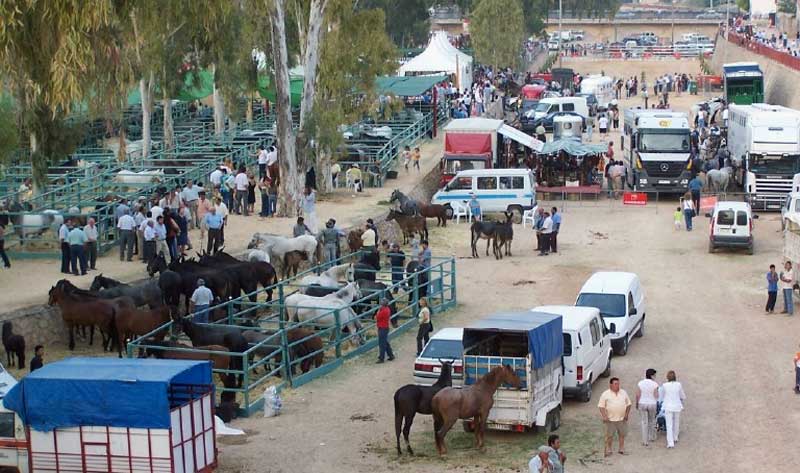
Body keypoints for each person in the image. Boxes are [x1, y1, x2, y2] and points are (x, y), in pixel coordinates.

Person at [598, 377, 632, 457]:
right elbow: (601, 406)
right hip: (610, 419)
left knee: (622, 434)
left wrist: (626, 414)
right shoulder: (605, 394)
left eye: (618, 384)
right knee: (609, 435)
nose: (618, 385)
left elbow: (629, 404)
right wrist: (604, 416)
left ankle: (621, 448)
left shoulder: (623, 392)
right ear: (610, 385)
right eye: (616, 384)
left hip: (621, 418)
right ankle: (609, 449)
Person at [659, 370, 686, 448]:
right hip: (677, 405)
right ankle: (675, 437)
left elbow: (662, 396)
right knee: (676, 421)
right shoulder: (679, 384)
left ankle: (670, 442)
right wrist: (682, 398)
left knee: (669, 424)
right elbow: (682, 395)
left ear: (667, 377)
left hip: (668, 406)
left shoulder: (664, 385)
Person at [636, 368, 659, 446]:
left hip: (642, 403)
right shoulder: (655, 384)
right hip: (652, 403)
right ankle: (651, 436)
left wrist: (637, 403)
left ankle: (645, 441)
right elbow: (656, 395)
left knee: (644, 421)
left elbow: (638, 395)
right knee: (652, 420)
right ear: (652, 376)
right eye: (654, 375)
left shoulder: (640, 383)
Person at [375, 298, 394, 363]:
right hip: (385, 327)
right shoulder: (387, 309)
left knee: (382, 344)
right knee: (385, 342)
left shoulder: (383, 311)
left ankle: (381, 358)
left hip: (382, 328)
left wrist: (378, 311)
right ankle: (391, 355)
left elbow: (377, 317)